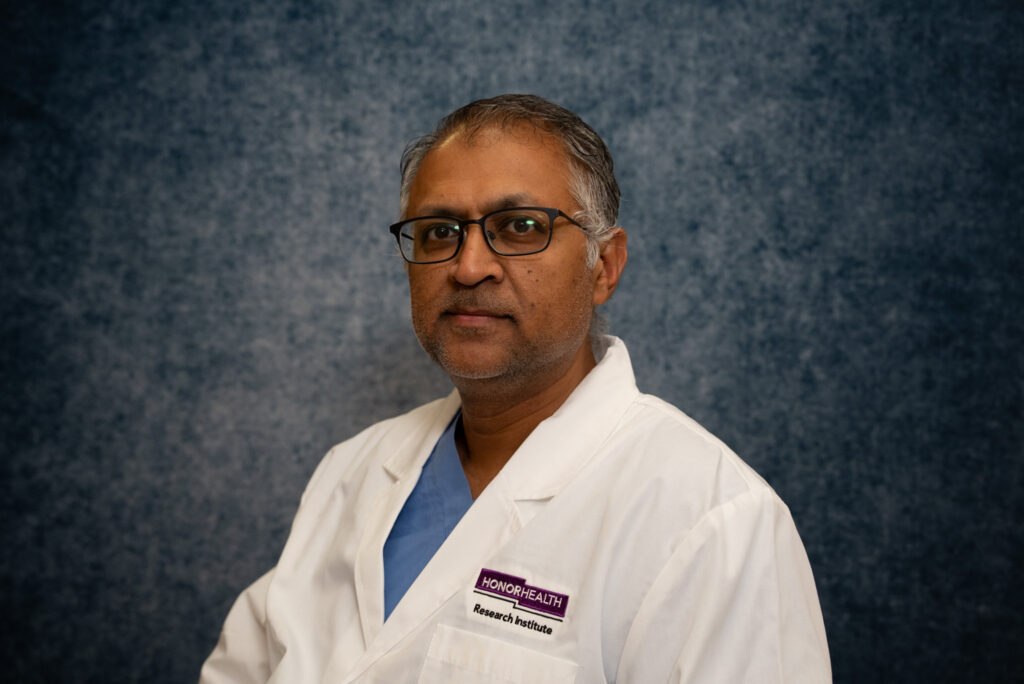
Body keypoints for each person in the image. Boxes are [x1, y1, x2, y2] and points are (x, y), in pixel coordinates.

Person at [199, 94, 831, 683]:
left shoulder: (713, 519)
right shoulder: (352, 471)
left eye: (521, 225)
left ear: (604, 267)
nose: (469, 267)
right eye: (439, 231)